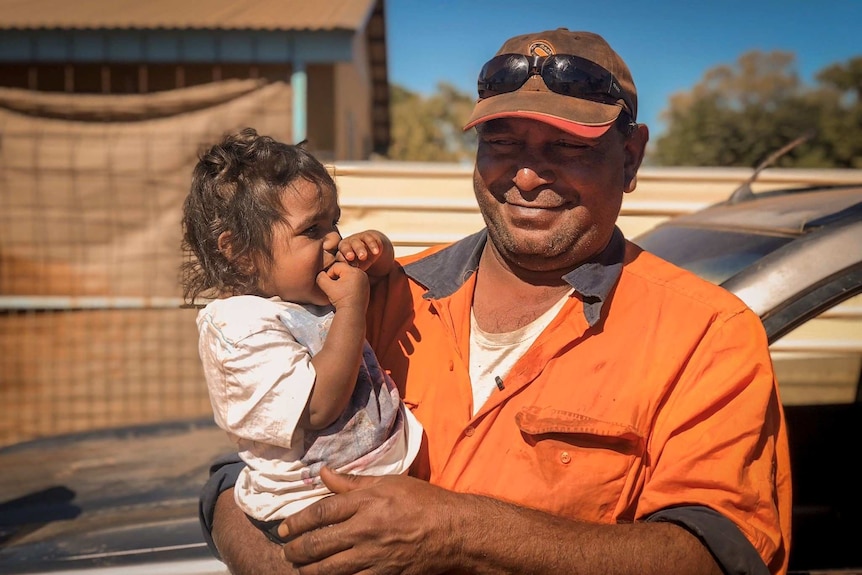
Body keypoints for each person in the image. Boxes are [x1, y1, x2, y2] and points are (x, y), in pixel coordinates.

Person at [199, 29, 791, 575]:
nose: (528, 176)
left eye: (568, 147)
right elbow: (250, 466)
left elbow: (718, 557)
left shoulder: (708, 333)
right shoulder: (374, 290)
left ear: (631, 158)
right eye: (502, 142)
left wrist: (457, 531)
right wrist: (272, 562)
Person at [181, 128, 423, 544]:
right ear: (238, 251)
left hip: (376, 487)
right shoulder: (239, 326)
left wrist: (376, 249)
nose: (334, 240)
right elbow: (317, 409)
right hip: (310, 512)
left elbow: (384, 276)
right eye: (312, 230)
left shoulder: (303, 292)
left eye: (336, 223)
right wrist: (350, 309)